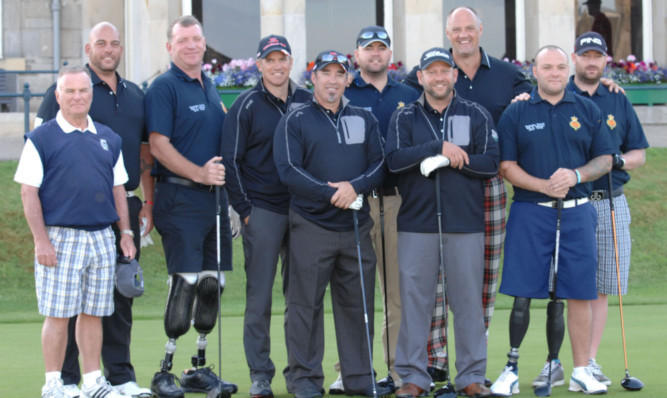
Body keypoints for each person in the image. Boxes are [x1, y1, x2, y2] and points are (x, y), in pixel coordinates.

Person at [35, 21, 153, 398]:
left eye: (114, 43)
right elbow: (39, 156)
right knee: (68, 305)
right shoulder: (68, 89)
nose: (108, 49)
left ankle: (118, 377)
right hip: (68, 215)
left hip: (118, 210)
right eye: (100, 43)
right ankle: (66, 380)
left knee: (115, 299)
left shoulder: (135, 94)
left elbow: (144, 154)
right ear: (88, 50)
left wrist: (142, 209)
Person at [489, 45, 614, 396]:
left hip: (578, 211)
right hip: (531, 211)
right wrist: (543, 185)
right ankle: (511, 369)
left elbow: (604, 159)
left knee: (579, 292)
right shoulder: (517, 113)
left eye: (561, 66)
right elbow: (506, 166)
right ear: (536, 71)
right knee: (523, 292)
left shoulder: (587, 109)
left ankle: (581, 370)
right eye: (548, 67)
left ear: (568, 68)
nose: (555, 72)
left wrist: (575, 176)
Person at [423, 6, 534, 385]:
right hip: (439, 187)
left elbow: (540, 104)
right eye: (457, 29)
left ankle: (474, 357)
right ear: (448, 33)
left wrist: (605, 88)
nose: (464, 34)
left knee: (484, 274)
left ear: (481, 30)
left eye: (470, 28)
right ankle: (435, 356)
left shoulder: (508, 76)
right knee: (436, 273)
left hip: (488, 185)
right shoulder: (429, 73)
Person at [15, 65, 136, 398]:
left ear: (91, 94)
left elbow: (118, 189)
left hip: (101, 237)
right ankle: (53, 383)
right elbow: (29, 192)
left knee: (93, 313)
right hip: (59, 237)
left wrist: (125, 232)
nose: (77, 96)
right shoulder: (41, 138)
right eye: (69, 91)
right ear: (58, 96)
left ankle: (93, 380)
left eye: (83, 90)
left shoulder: (109, 138)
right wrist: (41, 240)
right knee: (57, 314)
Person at [273, 50, 388, 398]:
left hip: (354, 227)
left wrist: (355, 188)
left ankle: (358, 379)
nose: (333, 80)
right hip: (311, 226)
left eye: (340, 73)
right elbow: (289, 171)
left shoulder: (363, 119)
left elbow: (380, 165)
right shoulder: (296, 119)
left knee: (357, 305)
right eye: (326, 73)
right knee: (304, 306)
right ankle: (305, 380)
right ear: (314, 78)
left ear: (348, 79)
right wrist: (329, 193)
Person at [385, 47, 498, 398]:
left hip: (465, 223)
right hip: (416, 224)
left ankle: (471, 377)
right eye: (430, 71)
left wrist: (452, 161)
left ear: (454, 75)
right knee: (415, 302)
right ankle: (414, 377)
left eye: (444, 71)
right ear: (420, 77)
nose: (438, 77)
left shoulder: (475, 113)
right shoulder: (405, 117)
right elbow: (394, 161)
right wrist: (437, 147)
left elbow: (491, 163)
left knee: (467, 303)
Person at [145, 15, 236, 398]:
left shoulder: (211, 86)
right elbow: (158, 146)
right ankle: (163, 372)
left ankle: (197, 368)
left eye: (196, 39)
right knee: (185, 284)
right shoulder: (164, 87)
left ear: (204, 44)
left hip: (215, 202)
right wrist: (199, 174)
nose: (191, 45)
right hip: (180, 197)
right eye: (182, 40)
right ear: (170, 46)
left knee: (213, 285)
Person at [326, 25, 419, 394]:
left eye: (381, 48)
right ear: (357, 55)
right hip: (353, 204)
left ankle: (396, 370)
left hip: (397, 202)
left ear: (388, 54)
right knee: (353, 292)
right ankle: (347, 370)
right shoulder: (343, 93)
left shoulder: (409, 94)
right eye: (368, 48)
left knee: (395, 293)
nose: (375, 54)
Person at [221, 34, 312, 398]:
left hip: (305, 212)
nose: (277, 66)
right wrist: (245, 210)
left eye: (282, 59)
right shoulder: (246, 105)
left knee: (301, 298)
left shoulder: (307, 101)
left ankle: (300, 373)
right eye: (269, 60)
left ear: (291, 63)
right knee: (259, 299)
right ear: (259, 64)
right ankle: (260, 373)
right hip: (262, 211)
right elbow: (231, 161)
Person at [568, 31, 647, 386]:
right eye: (585, 55)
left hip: (611, 202)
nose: (590, 61)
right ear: (575, 58)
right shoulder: (556, 93)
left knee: (600, 288)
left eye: (596, 56)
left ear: (605, 61)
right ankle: (560, 360)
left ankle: (591, 360)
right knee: (567, 286)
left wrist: (617, 161)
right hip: (569, 204)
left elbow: (638, 154)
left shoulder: (618, 99)